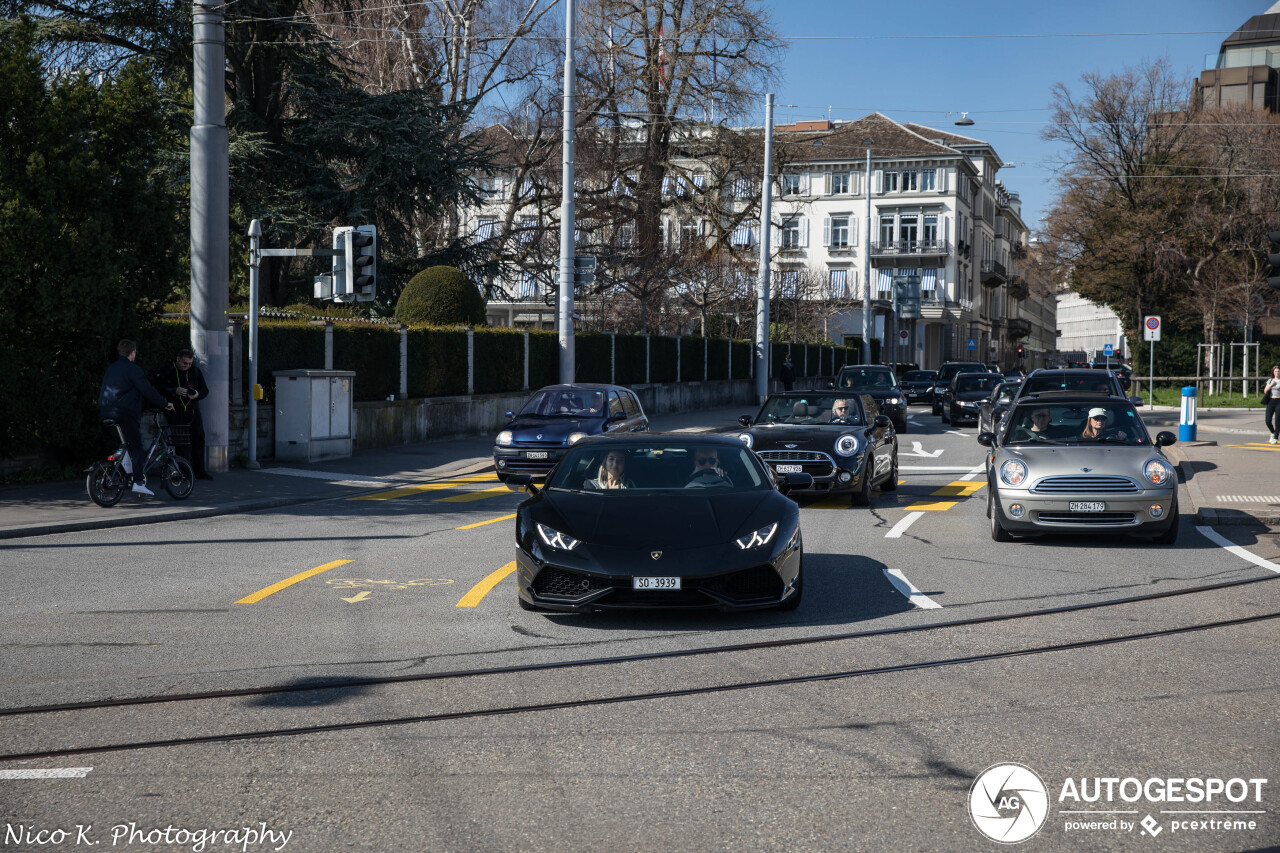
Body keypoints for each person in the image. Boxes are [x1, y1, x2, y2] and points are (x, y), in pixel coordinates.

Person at [99, 339, 173, 497]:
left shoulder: (111, 368)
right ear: (132, 353)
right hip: (124, 412)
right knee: (137, 447)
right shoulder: (133, 369)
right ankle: (138, 482)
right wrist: (164, 403)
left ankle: (125, 473)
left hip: (106, 410)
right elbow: (147, 390)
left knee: (127, 444)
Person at [153, 347, 212, 480]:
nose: (187, 366)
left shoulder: (195, 371)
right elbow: (158, 387)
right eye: (185, 363)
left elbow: (205, 390)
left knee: (199, 438)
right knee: (181, 442)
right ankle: (185, 472)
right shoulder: (168, 370)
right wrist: (174, 390)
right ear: (178, 359)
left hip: (192, 410)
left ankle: (200, 471)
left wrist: (196, 394)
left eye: (190, 363)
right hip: (175, 411)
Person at [1265, 365, 1280, 445]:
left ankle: (1275, 438)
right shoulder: (1270, 380)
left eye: (1278, 371)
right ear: (1273, 372)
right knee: (1267, 420)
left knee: (1278, 421)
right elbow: (1265, 391)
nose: (1277, 373)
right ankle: (1272, 432)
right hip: (1271, 401)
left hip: (1279, 401)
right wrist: (1271, 384)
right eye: (1275, 371)